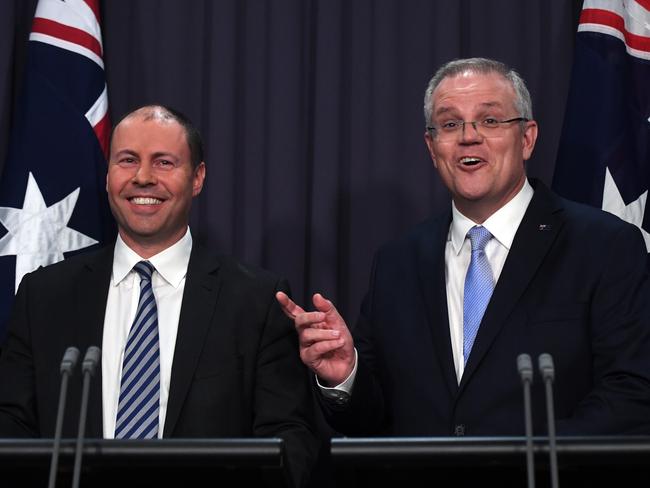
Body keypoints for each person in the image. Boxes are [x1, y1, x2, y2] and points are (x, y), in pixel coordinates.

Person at [277, 58, 650, 437]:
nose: (469, 136)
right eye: (450, 124)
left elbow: (631, 394)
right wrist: (347, 375)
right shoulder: (398, 263)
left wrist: (520, 464)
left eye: (490, 121)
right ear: (432, 147)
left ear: (527, 138)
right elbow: (372, 421)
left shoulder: (602, 245)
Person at [0, 105, 320, 488]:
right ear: (107, 175)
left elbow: (290, 445)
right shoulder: (44, 297)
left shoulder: (255, 300)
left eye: (164, 162)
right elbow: (11, 432)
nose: (143, 178)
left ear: (197, 178)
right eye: (127, 160)